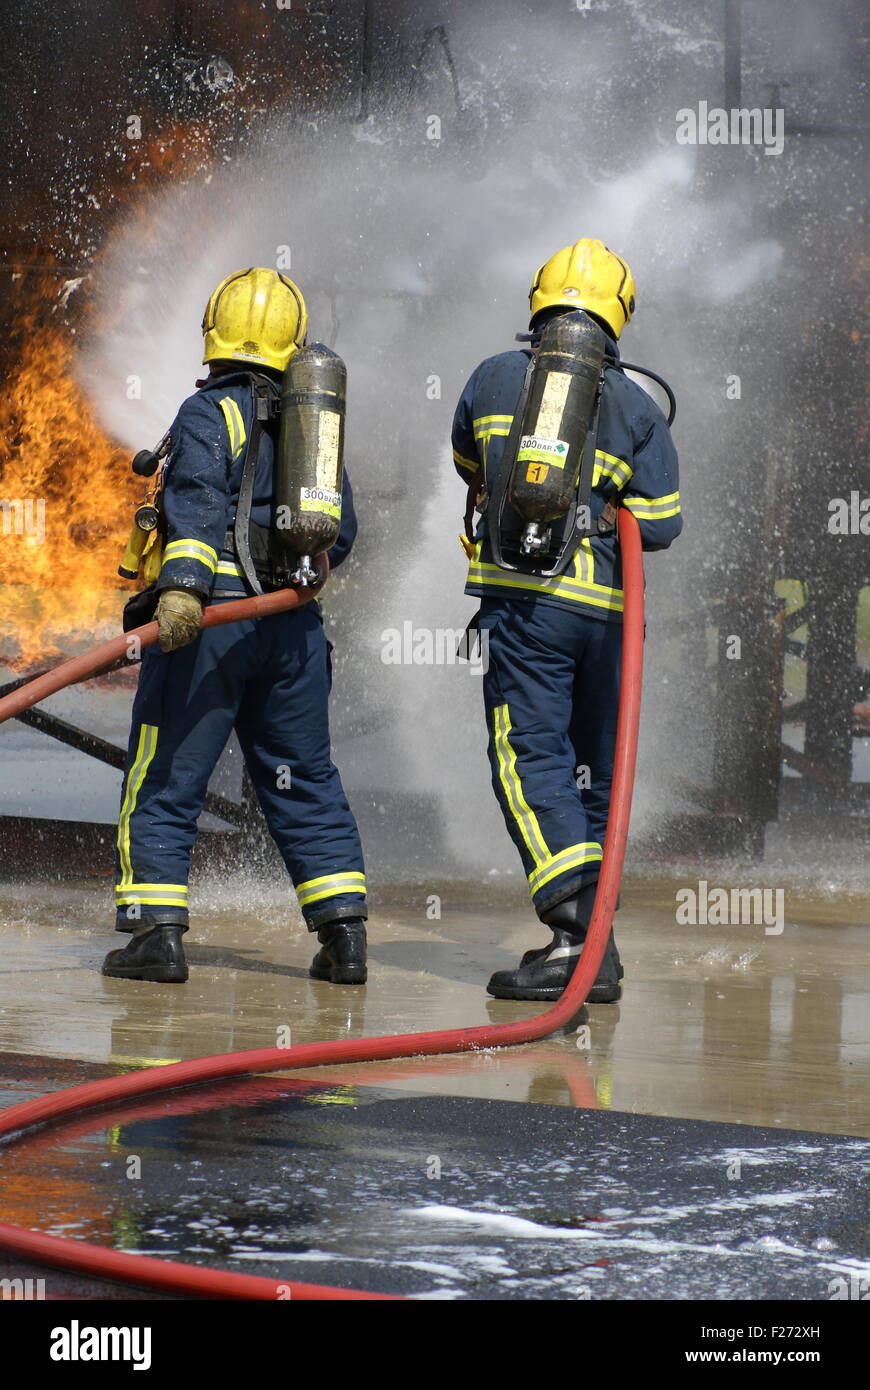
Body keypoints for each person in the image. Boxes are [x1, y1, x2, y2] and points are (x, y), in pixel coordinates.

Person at [103, 267, 367, 986]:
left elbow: (193, 504)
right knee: (304, 777)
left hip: (210, 627)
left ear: (213, 333)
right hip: (292, 633)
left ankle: (155, 935)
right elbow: (338, 535)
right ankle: (344, 939)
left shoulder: (207, 413)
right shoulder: (313, 425)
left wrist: (184, 590)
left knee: (165, 770)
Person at [451, 239, 681, 1002]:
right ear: (620, 317)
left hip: (530, 612)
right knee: (594, 774)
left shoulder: (492, 378)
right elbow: (664, 525)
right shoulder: (640, 408)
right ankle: (594, 948)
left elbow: (469, 464)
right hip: (612, 623)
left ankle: (572, 933)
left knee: (530, 759)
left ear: (538, 298)